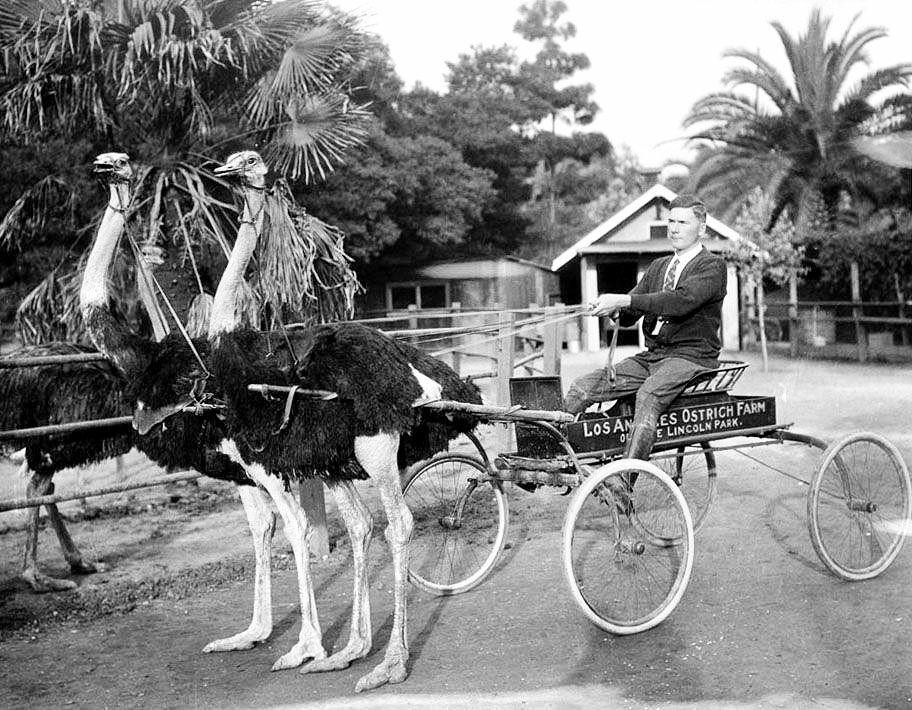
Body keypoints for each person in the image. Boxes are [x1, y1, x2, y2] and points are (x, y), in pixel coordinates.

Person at [564, 193, 728, 464]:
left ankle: (624, 481)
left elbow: (679, 302)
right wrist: (614, 310)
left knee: (649, 394)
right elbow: (632, 312)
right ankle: (546, 453)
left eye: (683, 223)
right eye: (671, 221)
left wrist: (624, 300)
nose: (674, 228)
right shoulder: (659, 267)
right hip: (653, 357)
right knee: (583, 387)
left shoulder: (712, 267)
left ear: (702, 227)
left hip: (692, 358)